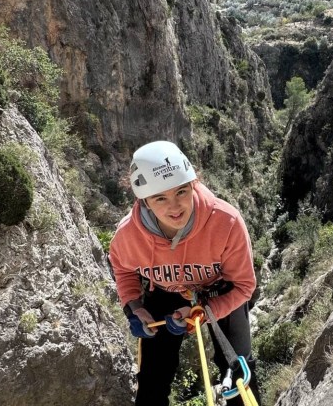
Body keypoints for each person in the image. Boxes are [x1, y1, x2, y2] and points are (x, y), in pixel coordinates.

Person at [108, 140, 260, 406]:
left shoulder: (226, 222)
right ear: (144, 201)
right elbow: (123, 269)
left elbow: (244, 286)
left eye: (181, 191)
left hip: (221, 290)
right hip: (166, 293)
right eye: (160, 198)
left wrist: (205, 310)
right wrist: (134, 306)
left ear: (194, 183)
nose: (175, 207)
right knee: (152, 382)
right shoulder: (128, 236)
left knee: (238, 373)